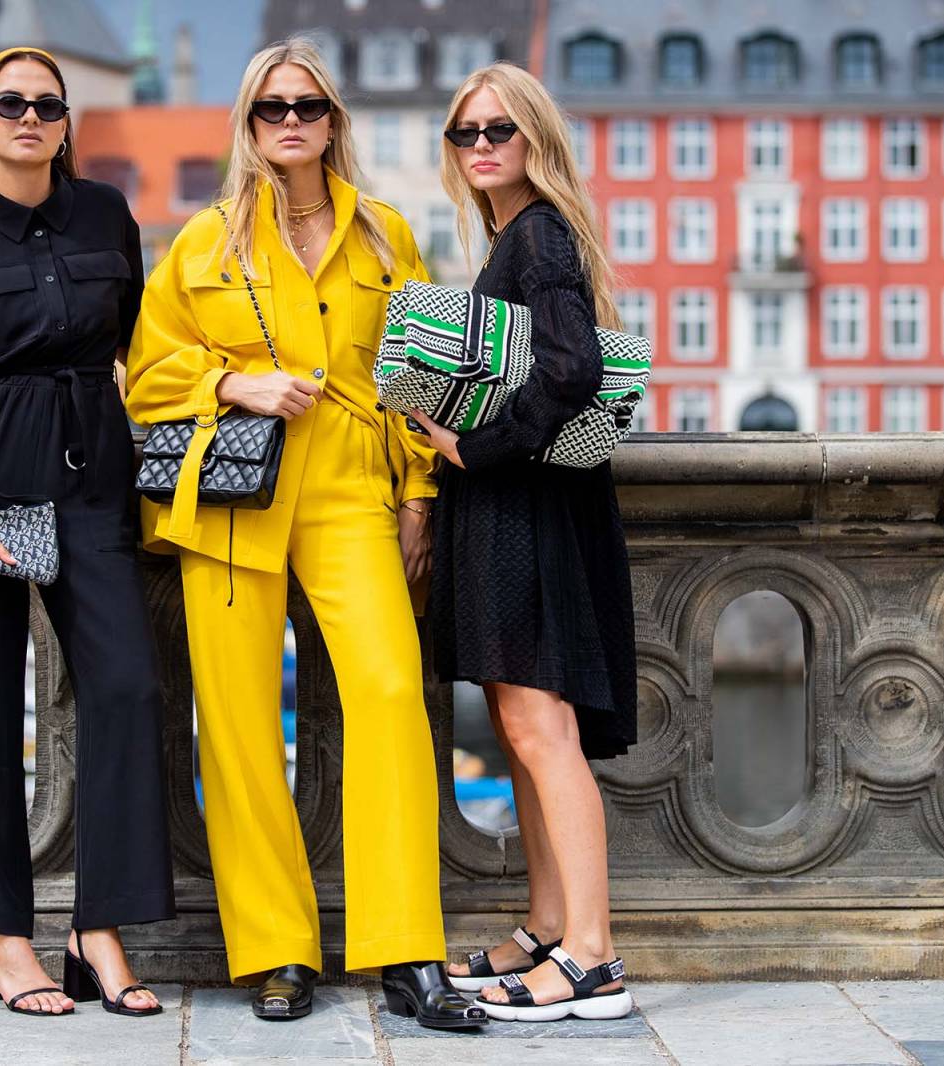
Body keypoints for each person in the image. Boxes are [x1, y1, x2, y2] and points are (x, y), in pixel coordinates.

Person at [125, 38, 486, 1031]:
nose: (290, 121)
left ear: (334, 119)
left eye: (308, 105)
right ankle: (275, 949)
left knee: (385, 696)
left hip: (349, 491)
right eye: (271, 107)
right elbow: (146, 373)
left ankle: (406, 949)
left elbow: (417, 380)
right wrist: (231, 382)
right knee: (239, 726)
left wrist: (418, 502)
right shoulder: (202, 242)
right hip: (234, 501)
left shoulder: (385, 236)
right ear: (246, 123)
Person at [0, 46, 174, 1019]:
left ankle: (100, 930)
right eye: (7, 102)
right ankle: (2, 938)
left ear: (65, 124)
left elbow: (137, 352)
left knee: (129, 688)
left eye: (46, 105)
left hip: (95, 479)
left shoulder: (105, 217)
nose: (28, 116)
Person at [412, 62, 637, 1023]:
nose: (481, 147)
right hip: (526, 509)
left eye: (498, 129)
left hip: (528, 510)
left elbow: (573, 368)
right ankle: (548, 929)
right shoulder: (520, 233)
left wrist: (476, 445)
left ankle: (592, 957)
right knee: (520, 728)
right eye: (465, 135)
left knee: (544, 733)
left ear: (536, 137)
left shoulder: (539, 232)